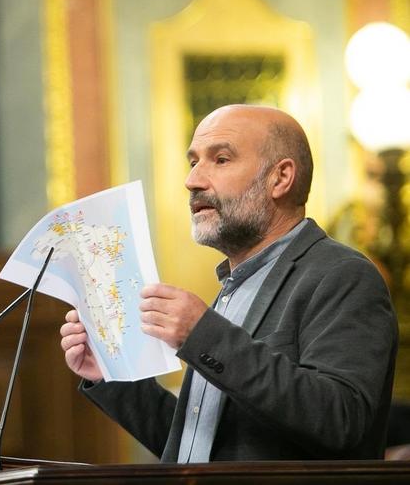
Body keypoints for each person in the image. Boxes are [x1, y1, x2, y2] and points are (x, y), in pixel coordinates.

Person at [59, 104, 398, 462]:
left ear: (280, 178)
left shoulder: (341, 275)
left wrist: (203, 335)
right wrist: (111, 375)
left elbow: (339, 419)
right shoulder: (233, 287)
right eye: (193, 162)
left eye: (220, 159)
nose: (193, 180)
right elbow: (200, 450)